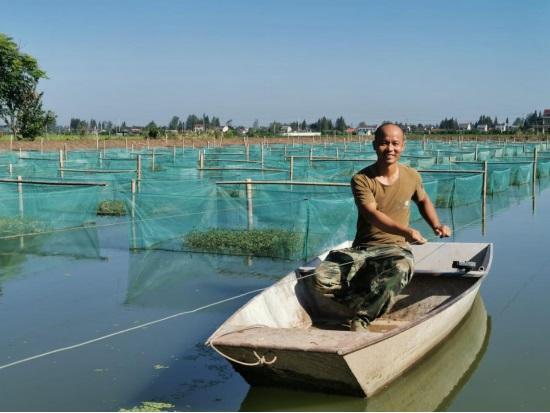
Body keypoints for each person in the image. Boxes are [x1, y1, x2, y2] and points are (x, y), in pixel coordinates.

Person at [313, 123, 451, 330]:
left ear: (403, 146)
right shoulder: (362, 179)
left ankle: (362, 318)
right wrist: (407, 231)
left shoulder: (412, 176)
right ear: (374, 145)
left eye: (395, 143)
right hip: (363, 249)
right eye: (384, 143)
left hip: (395, 249)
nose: (390, 148)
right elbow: (372, 214)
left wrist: (436, 225)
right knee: (322, 278)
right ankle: (361, 296)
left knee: (402, 267)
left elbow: (423, 201)